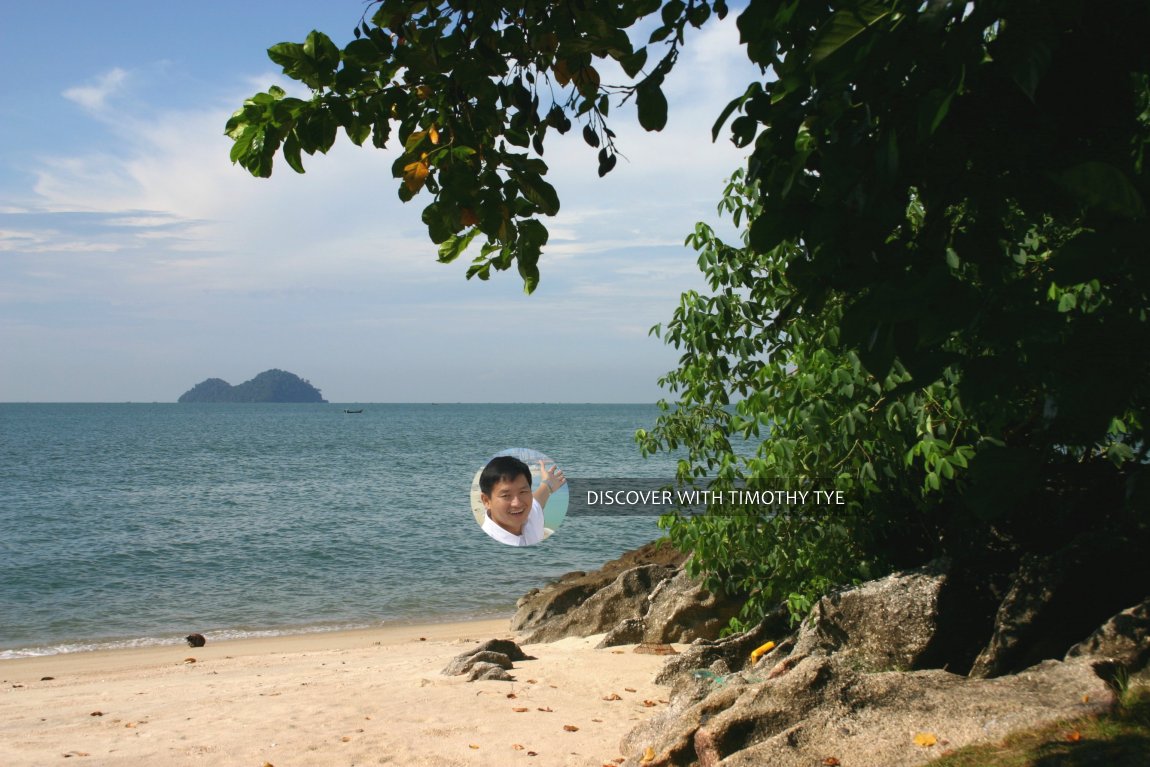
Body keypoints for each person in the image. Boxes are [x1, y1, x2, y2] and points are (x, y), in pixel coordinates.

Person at [478, 455, 566, 546]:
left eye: (523, 492)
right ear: (486, 501)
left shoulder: (530, 514)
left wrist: (548, 484)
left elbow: (539, 499)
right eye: (506, 495)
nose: (517, 503)